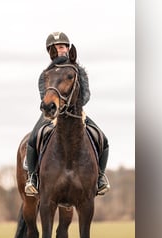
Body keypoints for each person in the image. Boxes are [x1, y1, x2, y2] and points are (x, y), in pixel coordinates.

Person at [25, 32, 110, 196]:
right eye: (55, 48)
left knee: (102, 139)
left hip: (75, 112)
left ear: (68, 48)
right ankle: (33, 178)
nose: (60, 50)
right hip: (52, 113)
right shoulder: (46, 74)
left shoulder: (79, 72)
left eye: (62, 47)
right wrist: (56, 107)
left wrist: (71, 105)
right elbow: (45, 96)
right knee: (33, 139)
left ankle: (99, 177)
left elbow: (86, 96)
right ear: (50, 52)